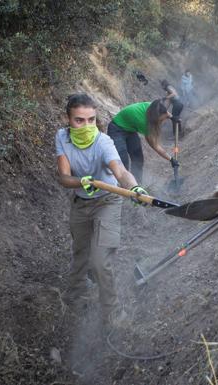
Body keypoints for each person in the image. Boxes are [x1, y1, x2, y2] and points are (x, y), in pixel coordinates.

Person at [55, 93, 148, 323]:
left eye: (91, 120)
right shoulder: (62, 138)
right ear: (68, 119)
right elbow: (64, 178)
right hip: (80, 203)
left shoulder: (104, 142)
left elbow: (120, 172)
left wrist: (135, 188)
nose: (87, 125)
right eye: (79, 120)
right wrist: (82, 181)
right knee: (81, 255)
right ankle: (75, 299)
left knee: (99, 261)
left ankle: (114, 313)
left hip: (108, 200)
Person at [106, 99, 179, 183]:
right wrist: (171, 159)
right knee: (122, 161)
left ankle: (137, 184)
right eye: (161, 120)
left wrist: (172, 117)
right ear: (154, 118)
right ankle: (124, 187)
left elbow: (165, 113)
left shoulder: (154, 107)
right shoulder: (144, 123)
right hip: (117, 129)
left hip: (130, 129)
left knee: (138, 158)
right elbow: (155, 145)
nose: (162, 122)